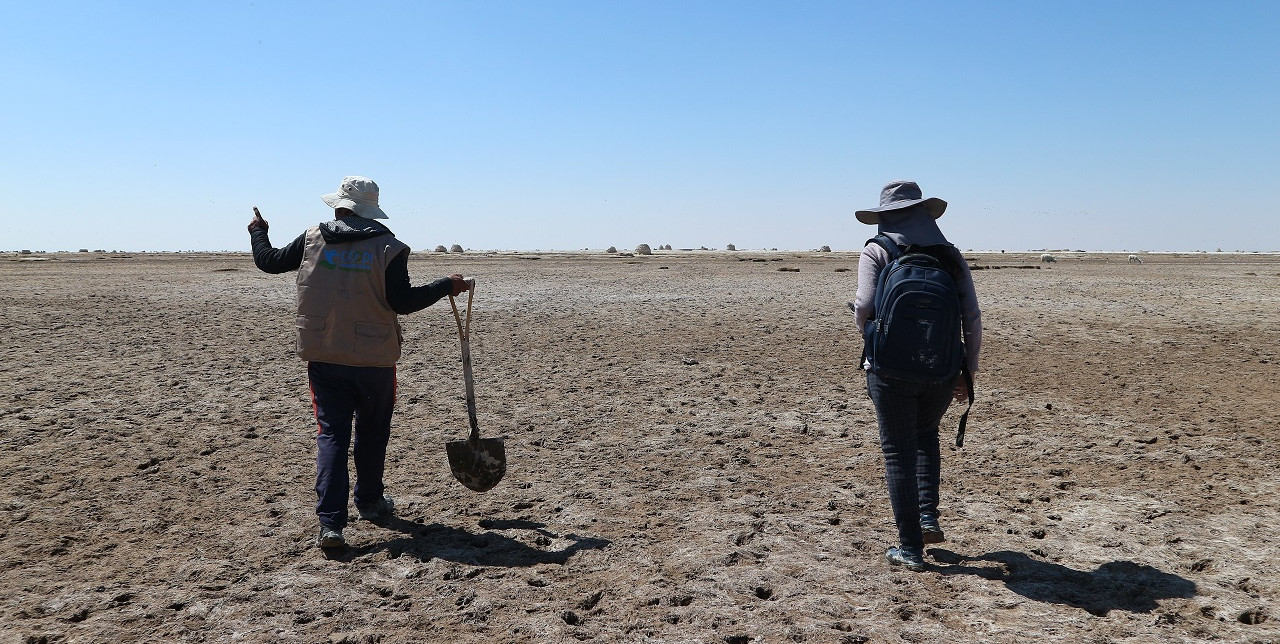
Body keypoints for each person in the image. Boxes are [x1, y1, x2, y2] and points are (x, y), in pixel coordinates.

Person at [248, 175, 470, 549]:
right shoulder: (390, 247)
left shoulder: (312, 238)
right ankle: (369, 501)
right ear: (370, 209)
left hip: (324, 353)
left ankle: (331, 525)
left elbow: (268, 262)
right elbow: (402, 302)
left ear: (339, 206)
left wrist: (258, 231)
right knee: (372, 431)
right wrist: (446, 285)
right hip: (374, 358)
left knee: (332, 434)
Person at [851, 180, 982, 572]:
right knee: (926, 436)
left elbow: (864, 307)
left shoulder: (877, 250)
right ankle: (927, 518)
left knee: (897, 453)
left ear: (885, 217)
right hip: (941, 368)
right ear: (925, 214)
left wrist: (877, 344)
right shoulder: (950, 256)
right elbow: (971, 318)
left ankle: (909, 549)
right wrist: (966, 373)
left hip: (890, 370)